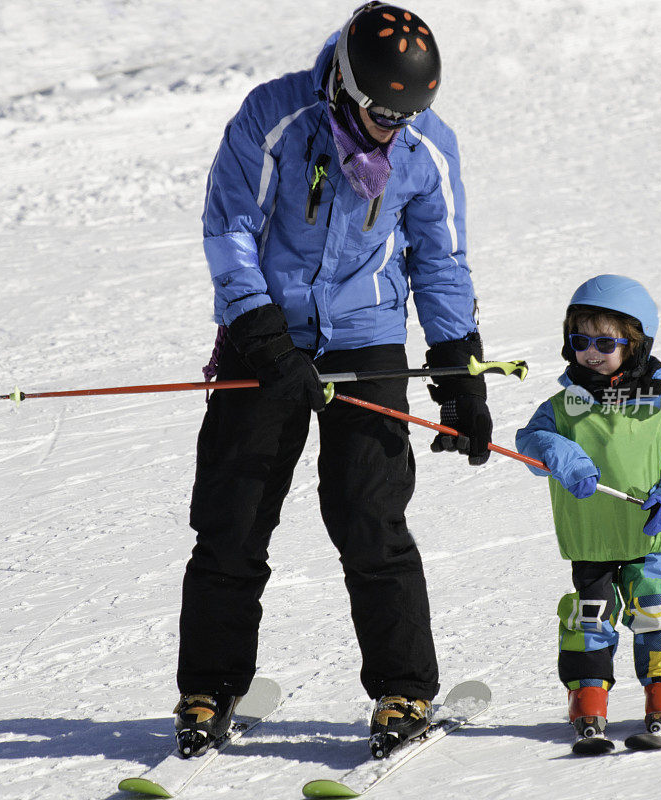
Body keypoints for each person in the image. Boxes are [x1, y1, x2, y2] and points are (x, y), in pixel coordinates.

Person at [173, 2, 493, 758]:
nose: (392, 129)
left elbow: (440, 261)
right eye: (382, 112)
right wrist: (261, 335)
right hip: (267, 336)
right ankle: (208, 686)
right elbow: (230, 230)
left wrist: (460, 375)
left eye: (407, 115)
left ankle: (404, 685)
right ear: (345, 85)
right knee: (231, 515)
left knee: (368, 514)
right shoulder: (274, 117)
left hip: (366, 335)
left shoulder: (426, 147)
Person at [515, 274, 661, 748]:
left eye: (604, 341)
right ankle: (588, 704)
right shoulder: (563, 407)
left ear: (635, 345)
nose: (590, 352)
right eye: (580, 341)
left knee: (652, 612)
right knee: (590, 618)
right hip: (591, 537)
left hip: (645, 534)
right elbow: (530, 440)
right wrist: (563, 455)